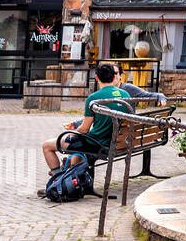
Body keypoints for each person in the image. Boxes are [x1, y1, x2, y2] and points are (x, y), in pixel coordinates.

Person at [38, 62, 129, 196]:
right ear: (114, 77)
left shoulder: (94, 98)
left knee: (47, 145)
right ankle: (70, 179)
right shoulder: (126, 95)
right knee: (76, 147)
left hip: (98, 144)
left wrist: (74, 132)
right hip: (119, 142)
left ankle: (58, 180)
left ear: (96, 78)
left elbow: (84, 129)